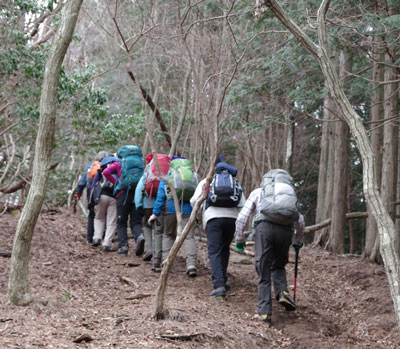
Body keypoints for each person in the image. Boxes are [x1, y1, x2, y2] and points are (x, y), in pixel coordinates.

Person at [234, 169, 304, 325]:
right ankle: (282, 292)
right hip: (285, 231)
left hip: (264, 229)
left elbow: (242, 218)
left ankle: (265, 313)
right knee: (278, 265)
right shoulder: (289, 196)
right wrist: (297, 241)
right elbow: (300, 221)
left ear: (264, 183)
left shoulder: (259, 192)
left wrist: (239, 239)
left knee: (264, 270)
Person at [190, 161, 246, 299]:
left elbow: (194, 201)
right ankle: (223, 279)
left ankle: (219, 285)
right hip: (232, 218)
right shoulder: (234, 182)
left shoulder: (208, 180)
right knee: (224, 248)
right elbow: (243, 204)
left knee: (214, 250)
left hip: (213, 218)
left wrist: (199, 214)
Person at [148, 157, 198, 277]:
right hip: (188, 211)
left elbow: (161, 197)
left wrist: (155, 213)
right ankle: (191, 265)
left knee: (168, 235)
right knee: (189, 237)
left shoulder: (167, 176)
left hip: (170, 210)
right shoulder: (193, 176)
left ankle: (166, 262)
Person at [103, 146, 145, 257]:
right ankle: (139, 236)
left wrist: (116, 182)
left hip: (122, 194)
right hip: (137, 194)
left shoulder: (119, 163)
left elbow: (106, 172)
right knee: (136, 221)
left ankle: (123, 247)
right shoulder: (141, 164)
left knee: (121, 222)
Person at [134, 153, 169, 270]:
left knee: (147, 226)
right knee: (160, 230)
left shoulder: (148, 173)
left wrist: (138, 205)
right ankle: (163, 255)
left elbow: (139, 189)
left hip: (148, 204)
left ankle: (149, 248)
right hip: (163, 205)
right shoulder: (167, 172)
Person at [75, 151, 111, 244]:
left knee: (92, 214)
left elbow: (83, 181)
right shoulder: (109, 165)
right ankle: (102, 237)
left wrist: (78, 193)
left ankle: (89, 238)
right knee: (105, 214)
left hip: (91, 192)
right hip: (105, 192)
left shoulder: (91, 166)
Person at [91, 156, 118, 252]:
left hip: (101, 196)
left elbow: (94, 185)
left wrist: (92, 198)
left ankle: (97, 237)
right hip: (114, 197)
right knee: (111, 222)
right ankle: (106, 244)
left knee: (99, 218)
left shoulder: (101, 169)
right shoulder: (118, 168)